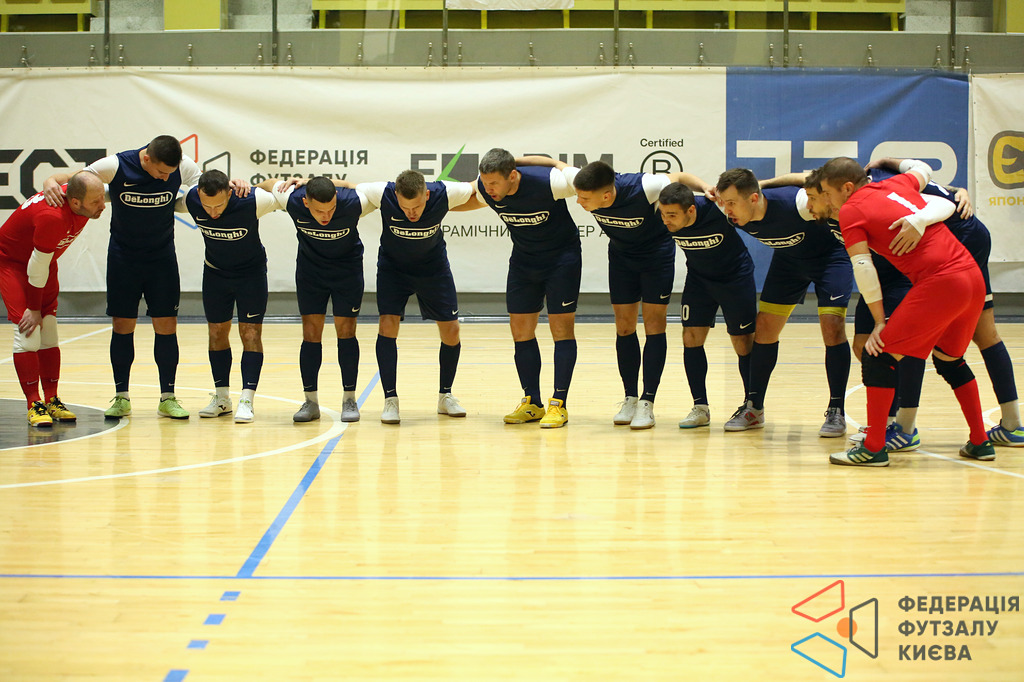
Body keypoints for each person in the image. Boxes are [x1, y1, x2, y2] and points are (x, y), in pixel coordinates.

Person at [818, 156, 994, 466]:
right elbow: (924, 169)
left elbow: (863, 268)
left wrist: (879, 322)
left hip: (941, 282)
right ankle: (980, 442)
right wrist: (892, 162)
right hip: (972, 276)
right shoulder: (895, 183)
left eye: (828, 193)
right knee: (950, 360)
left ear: (846, 188)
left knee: (877, 355)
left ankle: (873, 448)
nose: (828, 201)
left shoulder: (851, 209)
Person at [864, 158, 1024, 450]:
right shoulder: (893, 175)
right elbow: (934, 183)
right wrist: (958, 190)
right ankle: (1013, 424)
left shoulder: (875, 191)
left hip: (953, 246)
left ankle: (905, 428)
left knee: (914, 337)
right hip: (973, 234)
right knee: (986, 334)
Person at [44, 136, 204, 420]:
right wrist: (51, 180)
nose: (165, 178)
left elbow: (208, 187)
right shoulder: (116, 165)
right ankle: (122, 397)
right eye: (160, 172)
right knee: (122, 326)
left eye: (169, 174)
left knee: (167, 326)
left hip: (162, 259)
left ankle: (168, 398)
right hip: (123, 258)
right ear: (146, 158)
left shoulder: (182, 166)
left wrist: (233, 184)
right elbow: (79, 180)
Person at [713, 168, 852, 437]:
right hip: (789, 262)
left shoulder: (797, 203)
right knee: (764, 328)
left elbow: (814, 178)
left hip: (830, 259)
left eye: (731, 203)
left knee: (832, 326)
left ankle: (836, 410)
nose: (727, 209)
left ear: (754, 198)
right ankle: (754, 408)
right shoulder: (732, 212)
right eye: (724, 202)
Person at [459, 148, 582, 429]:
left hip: (561, 260)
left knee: (561, 330)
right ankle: (532, 403)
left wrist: (554, 162)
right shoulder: (487, 189)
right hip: (524, 262)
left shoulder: (549, 182)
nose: (488, 189)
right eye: (485, 182)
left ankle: (559, 403)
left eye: (494, 183)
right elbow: (461, 200)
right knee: (520, 331)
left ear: (512, 176)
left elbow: (588, 186)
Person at [356, 169, 477, 425]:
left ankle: (445, 395)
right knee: (387, 325)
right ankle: (390, 399)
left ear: (427, 195)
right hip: (393, 269)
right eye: (405, 208)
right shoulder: (383, 193)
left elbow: (479, 188)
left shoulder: (445, 193)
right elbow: (347, 187)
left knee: (452, 331)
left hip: (433, 269)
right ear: (396, 196)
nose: (411, 213)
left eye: (417, 206)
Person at [0, 172, 106, 426]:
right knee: (28, 332)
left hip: (45, 262)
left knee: (49, 332)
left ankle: (52, 399)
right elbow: (36, 268)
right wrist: (33, 308)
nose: (102, 205)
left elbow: (74, 176)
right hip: (14, 264)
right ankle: (33, 403)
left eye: (103, 198)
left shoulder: (79, 191)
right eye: (96, 202)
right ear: (75, 202)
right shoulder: (53, 217)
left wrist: (50, 179)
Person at [179, 171, 278, 424]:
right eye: (207, 206)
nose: (213, 212)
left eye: (219, 205)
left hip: (251, 275)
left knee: (250, 333)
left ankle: (247, 399)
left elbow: (273, 187)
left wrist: (252, 184)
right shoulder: (191, 199)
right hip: (215, 274)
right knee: (216, 332)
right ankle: (222, 398)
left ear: (230, 193)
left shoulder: (252, 201)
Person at [273, 176, 374, 424]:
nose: (326, 216)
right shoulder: (293, 199)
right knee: (311, 333)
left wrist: (315, 180)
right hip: (311, 273)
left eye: (331, 209)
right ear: (306, 202)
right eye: (319, 211)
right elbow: (268, 185)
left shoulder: (353, 202)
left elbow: (360, 186)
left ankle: (349, 399)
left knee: (346, 331)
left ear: (337, 198)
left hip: (347, 272)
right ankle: (310, 401)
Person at [657, 182, 757, 429]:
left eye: (672, 215)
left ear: (691, 210)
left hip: (735, 277)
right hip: (699, 279)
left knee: (742, 341)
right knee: (690, 337)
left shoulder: (717, 210)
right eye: (663, 214)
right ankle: (700, 407)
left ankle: (752, 407)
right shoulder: (665, 219)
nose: (666, 220)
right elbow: (676, 176)